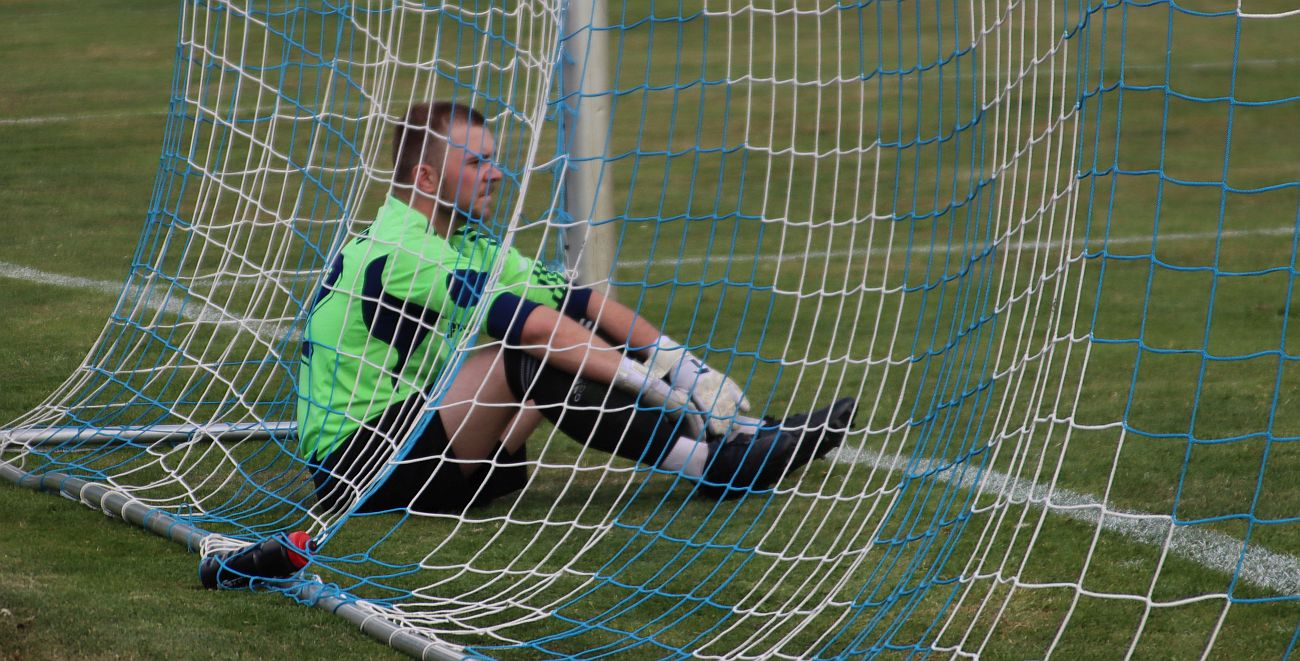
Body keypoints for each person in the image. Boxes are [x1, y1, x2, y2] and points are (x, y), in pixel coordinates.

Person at [296, 101, 855, 514]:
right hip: (359, 466)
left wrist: (688, 369)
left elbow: (580, 302)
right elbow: (531, 327)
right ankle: (714, 466)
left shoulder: (465, 241)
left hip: (428, 449)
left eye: (492, 160)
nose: (495, 173)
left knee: (571, 327)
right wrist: (655, 387)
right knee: (529, 353)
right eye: (475, 163)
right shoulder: (401, 247)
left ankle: (738, 434)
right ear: (423, 177)